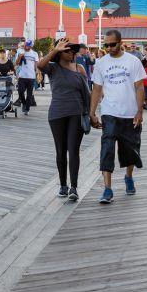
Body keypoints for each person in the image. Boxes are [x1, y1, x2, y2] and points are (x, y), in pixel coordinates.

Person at [90, 30, 146, 204]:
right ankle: (107, 189)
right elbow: (97, 89)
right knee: (107, 148)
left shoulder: (133, 61)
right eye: (106, 45)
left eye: (112, 44)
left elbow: (139, 87)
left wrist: (139, 111)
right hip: (109, 112)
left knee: (130, 149)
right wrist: (91, 112)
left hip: (130, 113)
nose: (108, 48)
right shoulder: (100, 63)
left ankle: (128, 177)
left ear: (120, 42)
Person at [38, 38, 92, 202]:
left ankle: (74, 187)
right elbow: (39, 65)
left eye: (73, 51)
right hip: (57, 114)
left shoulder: (79, 68)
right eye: (68, 51)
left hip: (76, 113)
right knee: (60, 151)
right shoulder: (53, 68)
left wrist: (91, 114)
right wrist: (55, 49)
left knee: (73, 149)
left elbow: (87, 93)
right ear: (60, 53)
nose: (72, 53)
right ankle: (63, 185)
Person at [14, 40, 39, 115]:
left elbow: (36, 64)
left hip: (31, 77)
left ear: (31, 46)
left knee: (29, 94)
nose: (26, 47)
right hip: (22, 76)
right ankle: (24, 104)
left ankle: (27, 109)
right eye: (25, 45)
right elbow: (16, 63)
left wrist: (38, 72)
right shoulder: (20, 52)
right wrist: (19, 57)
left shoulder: (34, 54)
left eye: (28, 45)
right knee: (20, 91)